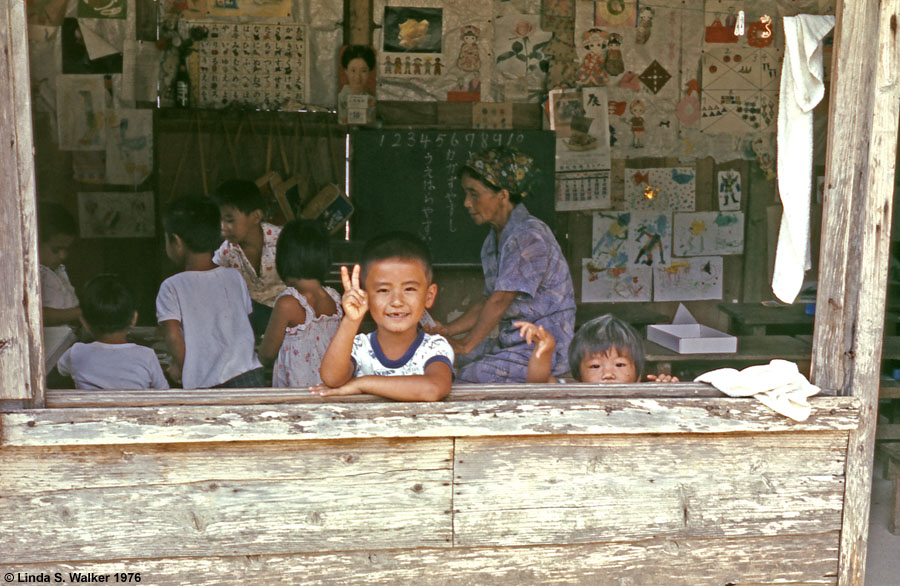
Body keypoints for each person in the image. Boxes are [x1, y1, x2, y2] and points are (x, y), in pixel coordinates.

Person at [430, 147, 575, 383]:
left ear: (503, 196)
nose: (466, 203)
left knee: (464, 376)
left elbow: (500, 301)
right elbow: (489, 300)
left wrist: (465, 344)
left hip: (543, 350)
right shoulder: (493, 240)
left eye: (474, 193)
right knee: (440, 359)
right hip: (513, 344)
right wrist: (447, 331)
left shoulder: (528, 236)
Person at [316, 232, 454, 401]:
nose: (396, 301)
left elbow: (433, 388)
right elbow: (331, 379)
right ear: (366, 296)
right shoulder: (359, 347)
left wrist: (362, 384)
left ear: (429, 296)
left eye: (409, 289)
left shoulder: (434, 347)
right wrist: (351, 320)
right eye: (383, 290)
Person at [157, 196, 265, 389]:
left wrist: (184, 368)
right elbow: (243, 324)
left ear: (176, 241)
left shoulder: (171, 286)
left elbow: (173, 337)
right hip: (249, 376)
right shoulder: (234, 277)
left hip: (208, 383)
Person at [259, 219, 343, 387]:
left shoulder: (288, 303)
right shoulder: (335, 299)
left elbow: (266, 354)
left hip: (298, 396)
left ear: (284, 258)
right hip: (330, 390)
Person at [57, 274, 168, 390]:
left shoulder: (76, 353)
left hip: (90, 408)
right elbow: (164, 393)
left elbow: (61, 369)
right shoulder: (147, 356)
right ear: (134, 319)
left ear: (84, 322)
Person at [212, 179, 286, 336]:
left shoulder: (283, 241)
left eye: (229, 220)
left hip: (287, 318)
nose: (222, 227)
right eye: (220, 220)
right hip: (250, 322)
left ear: (256, 216)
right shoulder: (225, 253)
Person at [515, 314, 678, 383]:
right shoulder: (572, 395)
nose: (608, 375)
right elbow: (538, 383)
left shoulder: (644, 397)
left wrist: (668, 390)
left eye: (620, 365)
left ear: (638, 375)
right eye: (595, 366)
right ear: (578, 377)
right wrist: (544, 351)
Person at [38, 201, 81, 326]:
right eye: (56, 250)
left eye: (66, 249)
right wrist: (80, 313)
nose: (63, 256)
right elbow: (40, 315)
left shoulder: (57, 271)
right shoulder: (36, 275)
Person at [337, 45, 376, 125]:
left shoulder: (372, 101)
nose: (358, 77)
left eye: (363, 71)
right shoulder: (339, 99)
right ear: (346, 71)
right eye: (353, 70)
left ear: (369, 72)